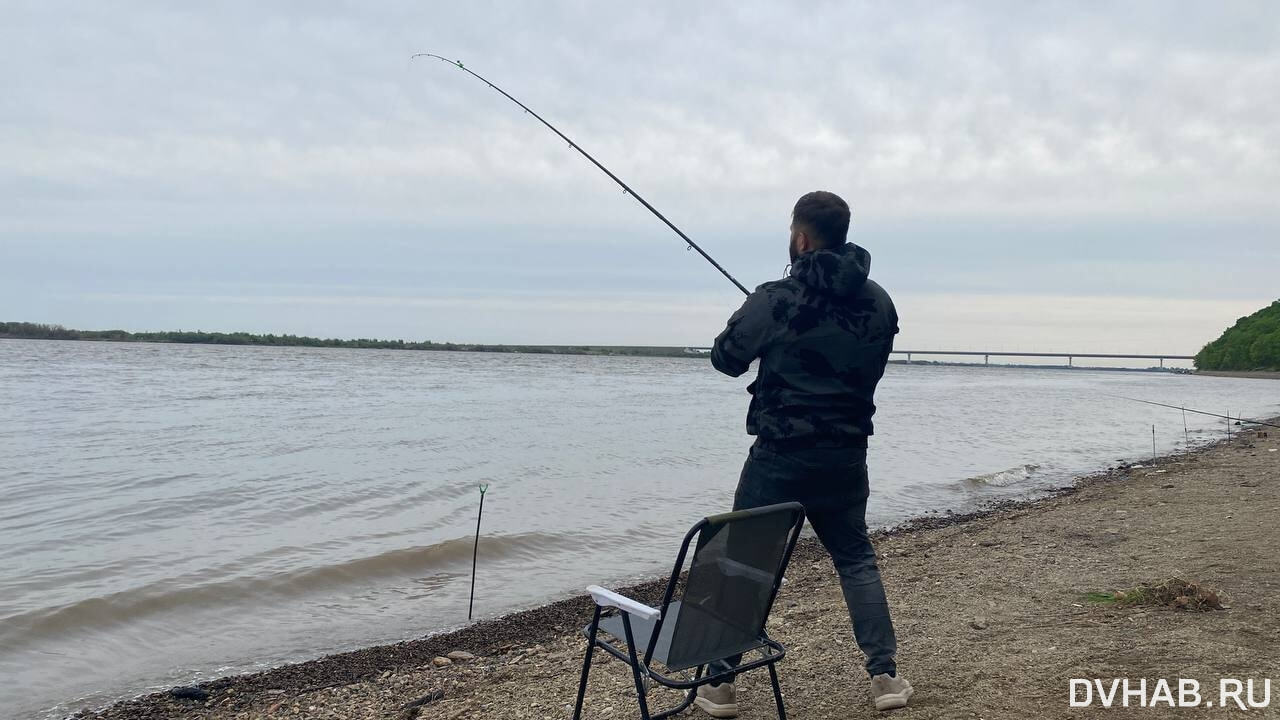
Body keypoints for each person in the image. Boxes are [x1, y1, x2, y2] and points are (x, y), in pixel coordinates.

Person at [698, 191, 912, 716]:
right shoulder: (879, 301)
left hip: (780, 456)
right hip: (845, 455)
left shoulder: (776, 297)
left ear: (799, 237)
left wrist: (755, 319)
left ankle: (722, 684)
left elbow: (726, 359)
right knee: (855, 559)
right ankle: (885, 677)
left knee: (744, 561)